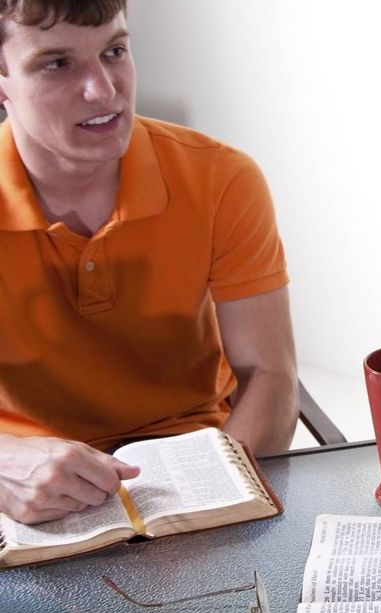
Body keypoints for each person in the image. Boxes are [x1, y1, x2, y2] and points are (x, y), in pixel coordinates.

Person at [0, 0, 298, 525]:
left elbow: (269, 376)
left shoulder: (221, 178)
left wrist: (210, 502)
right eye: (57, 63)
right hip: (26, 489)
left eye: (115, 51)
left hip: (201, 463)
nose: (104, 90)